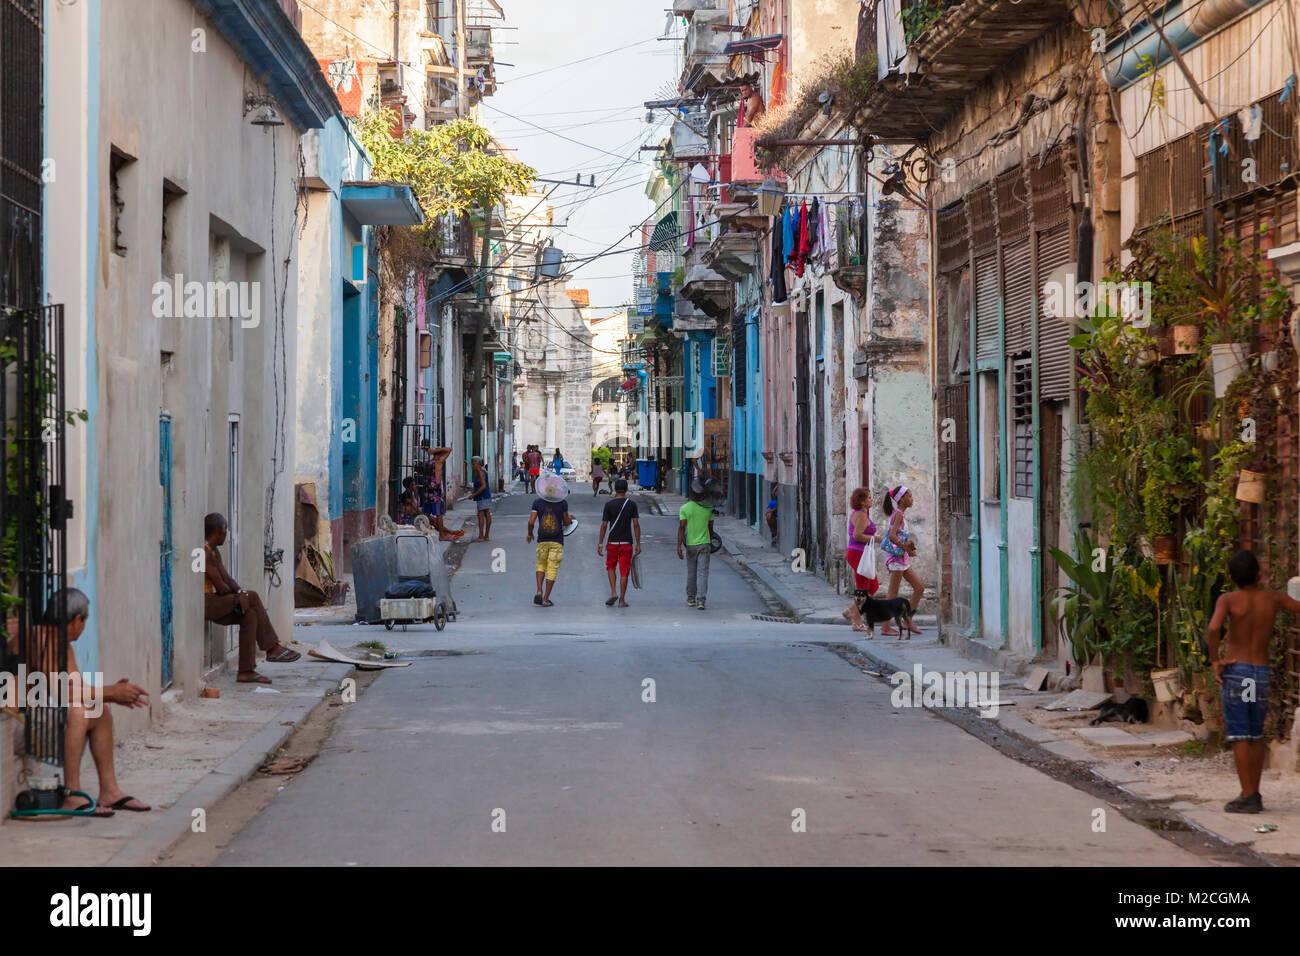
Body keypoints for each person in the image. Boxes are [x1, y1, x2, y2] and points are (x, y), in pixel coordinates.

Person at [31, 589, 152, 816]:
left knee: (97, 709)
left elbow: (78, 688)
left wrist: (110, 694)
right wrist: (111, 692)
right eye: (85, 622)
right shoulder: (40, 639)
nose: (83, 627)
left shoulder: (62, 644)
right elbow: (61, 693)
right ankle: (72, 795)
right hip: (20, 724)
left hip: (38, 718)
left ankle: (110, 791)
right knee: (77, 711)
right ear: (78, 620)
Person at [1207, 549, 1300, 813]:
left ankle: (1248, 795)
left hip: (1237, 672)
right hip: (1259, 673)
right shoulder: (1272, 599)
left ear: (1230, 576)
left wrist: (1215, 659)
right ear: (1259, 574)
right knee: (1256, 735)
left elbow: (1214, 628)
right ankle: (1254, 793)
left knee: (1240, 736)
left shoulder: (1228, 600)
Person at [203, 512, 301, 683]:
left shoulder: (215, 552)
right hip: (206, 602)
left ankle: (246, 671)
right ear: (220, 531)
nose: (226, 536)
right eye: (225, 532)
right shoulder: (203, 553)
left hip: (217, 601)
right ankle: (271, 648)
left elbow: (228, 579)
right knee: (253, 596)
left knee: (250, 616)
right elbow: (221, 587)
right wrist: (239, 597)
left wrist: (240, 593)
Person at [880, 486, 924, 637]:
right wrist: (905, 547)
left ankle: (907, 618)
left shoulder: (901, 515)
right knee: (892, 595)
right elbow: (892, 536)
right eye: (910, 496)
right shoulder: (898, 514)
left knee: (919, 588)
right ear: (902, 499)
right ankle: (885, 627)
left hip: (902, 559)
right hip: (896, 560)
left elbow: (898, 535)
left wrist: (908, 548)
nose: (912, 499)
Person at [527, 474, 572, 607]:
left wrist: (530, 534)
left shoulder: (537, 503)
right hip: (557, 540)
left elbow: (531, 522)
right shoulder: (562, 503)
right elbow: (566, 522)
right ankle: (546, 599)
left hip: (542, 539)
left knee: (541, 564)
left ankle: (539, 591)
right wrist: (571, 518)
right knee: (552, 568)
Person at [841, 487, 881, 633]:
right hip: (858, 553)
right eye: (869, 497)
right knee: (864, 589)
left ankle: (850, 611)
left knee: (872, 586)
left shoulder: (860, 514)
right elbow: (857, 536)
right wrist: (876, 539)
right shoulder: (862, 516)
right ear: (862, 501)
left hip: (858, 553)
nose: (871, 500)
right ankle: (857, 622)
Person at [598, 478, 641, 607]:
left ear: (615, 489)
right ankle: (622, 600)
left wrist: (600, 543)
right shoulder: (632, 505)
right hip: (626, 543)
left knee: (610, 567)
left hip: (612, 542)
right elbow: (636, 525)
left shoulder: (609, 505)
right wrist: (638, 544)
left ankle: (613, 592)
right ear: (627, 489)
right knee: (624, 572)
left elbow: (604, 525)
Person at [677, 478, 715, 610]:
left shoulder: (685, 508)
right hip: (705, 543)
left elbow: (682, 528)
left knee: (691, 572)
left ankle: (691, 598)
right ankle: (701, 601)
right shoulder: (709, 509)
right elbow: (711, 528)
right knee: (703, 573)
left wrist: (678, 546)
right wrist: (710, 541)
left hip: (690, 544)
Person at [419, 445, 463, 541]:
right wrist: (435, 450)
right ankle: (442, 535)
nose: (444, 456)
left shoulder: (428, 463)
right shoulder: (438, 462)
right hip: (435, 492)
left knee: (426, 512)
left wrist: (434, 451)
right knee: (439, 514)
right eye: (442, 455)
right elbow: (449, 449)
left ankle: (420, 530)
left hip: (427, 491)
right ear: (438, 456)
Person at [470, 455, 492, 542]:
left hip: (482, 496)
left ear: (477, 463)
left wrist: (473, 495)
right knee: (487, 514)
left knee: (481, 515)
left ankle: (481, 536)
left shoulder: (480, 472)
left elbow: (483, 486)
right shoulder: (481, 472)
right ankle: (486, 536)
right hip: (485, 496)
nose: (472, 466)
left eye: (473, 464)